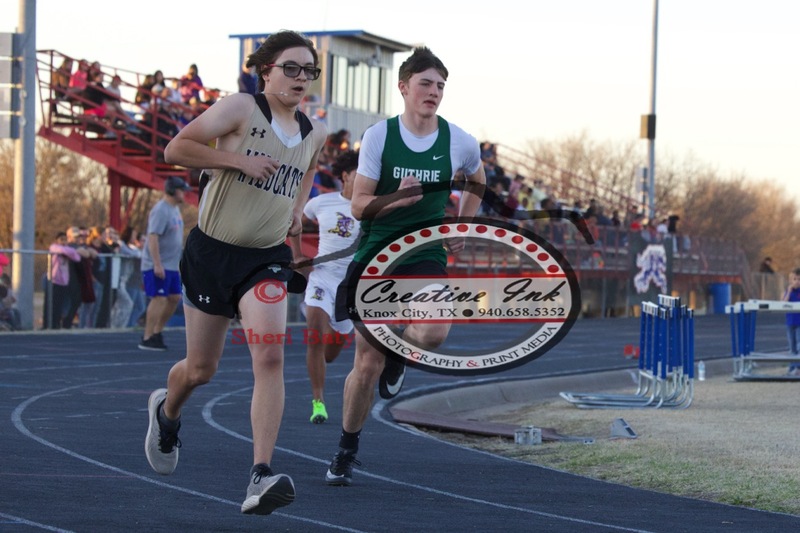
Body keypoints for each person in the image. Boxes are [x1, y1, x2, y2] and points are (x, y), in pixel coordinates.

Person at [144, 30, 327, 516]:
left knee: (269, 358)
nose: (301, 78)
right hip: (211, 253)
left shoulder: (315, 132)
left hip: (265, 259)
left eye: (309, 70)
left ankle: (260, 475)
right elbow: (175, 150)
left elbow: (305, 175)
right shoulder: (241, 109)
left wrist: (296, 209)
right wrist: (236, 159)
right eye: (291, 67)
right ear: (265, 70)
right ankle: (167, 413)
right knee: (200, 370)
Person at [323, 46, 486, 486]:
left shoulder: (458, 140)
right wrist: (398, 198)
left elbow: (478, 177)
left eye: (440, 86)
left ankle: (402, 353)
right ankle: (346, 449)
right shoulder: (379, 136)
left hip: (426, 252)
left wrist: (463, 222)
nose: (433, 92)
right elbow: (358, 206)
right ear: (404, 87)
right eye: (426, 84)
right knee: (366, 362)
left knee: (433, 330)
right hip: (378, 253)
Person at [291, 150, 360, 424]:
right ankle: (318, 402)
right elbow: (295, 222)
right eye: (359, 174)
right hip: (321, 277)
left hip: (350, 286)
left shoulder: (372, 209)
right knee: (314, 335)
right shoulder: (321, 203)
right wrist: (296, 256)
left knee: (331, 354)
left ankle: (337, 325)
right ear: (345, 176)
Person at [138, 176, 189, 350]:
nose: (184, 194)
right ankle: (147, 336)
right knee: (159, 298)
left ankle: (157, 331)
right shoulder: (161, 210)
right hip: (158, 264)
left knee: (174, 297)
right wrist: (157, 264)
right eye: (181, 190)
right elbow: (153, 237)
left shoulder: (175, 210)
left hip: (171, 265)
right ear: (173, 190)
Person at [782, 267, 800, 376]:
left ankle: (798, 367)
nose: (797, 282)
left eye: (799, 279)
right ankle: (792, 367)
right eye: (795, 279)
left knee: (799, 346)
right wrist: (788, 291)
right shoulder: (788, 292)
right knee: (792, 346)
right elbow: (783, 303)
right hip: (790, 322)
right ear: (790, 281)